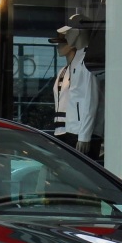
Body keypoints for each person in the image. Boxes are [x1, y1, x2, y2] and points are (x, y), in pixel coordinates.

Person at [50, 17, 99, 157]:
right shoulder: (70, 67)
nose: (66, 38)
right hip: (67, 129)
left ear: (78, 33)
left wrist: (84, 136)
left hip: (78, 131)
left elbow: (91, 100)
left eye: (69, 34)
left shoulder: (86, 61)